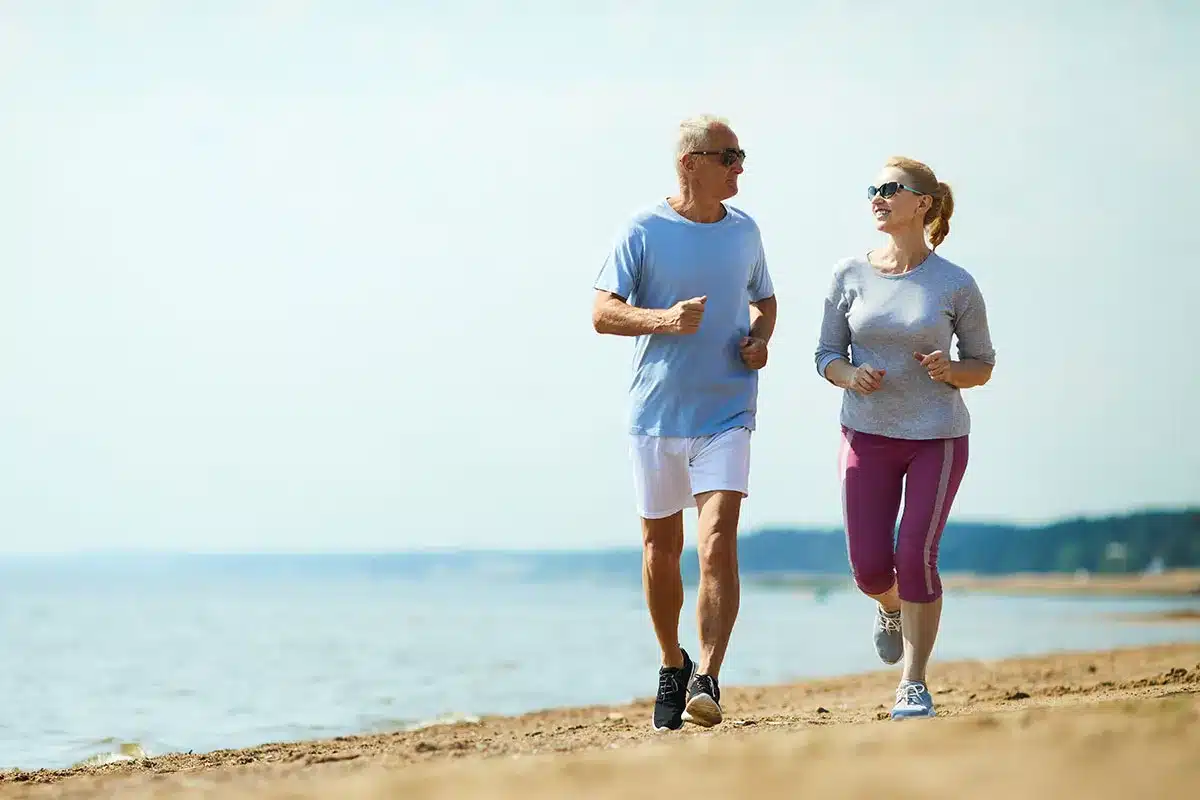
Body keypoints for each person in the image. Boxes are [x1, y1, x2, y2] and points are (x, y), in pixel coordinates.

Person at [591, 115, 777, 731]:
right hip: (656, 415)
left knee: (718, 541)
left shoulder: (745, 232)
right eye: (731, 156)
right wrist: (665, 320)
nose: (740, 166)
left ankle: (709, 678)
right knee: (660, 550)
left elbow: (765, 301)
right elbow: (602, 314)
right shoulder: (643, 229)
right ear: (690, 162)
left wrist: (761, 342)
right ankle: (673, 661)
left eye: (742, 155)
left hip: (727, 409)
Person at [814, 156, 996, 720]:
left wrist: (950, 369)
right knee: (870, 568)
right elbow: (826, 356)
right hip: (865, 433)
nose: (877, 196)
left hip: (936, 437)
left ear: (922, 202)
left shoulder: (955, 283)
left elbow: (982, 365)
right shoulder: (848, 275)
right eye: (872, 188)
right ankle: (889, 605)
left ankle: (913, 683)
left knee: (916, 552)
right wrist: (850, 376)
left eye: (890, 188)